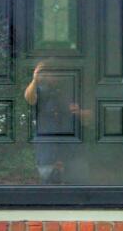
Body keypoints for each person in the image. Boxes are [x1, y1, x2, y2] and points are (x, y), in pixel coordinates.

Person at [22, 55, 81, 184]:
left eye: (56, 71)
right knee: (47, 181)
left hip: (69, 145)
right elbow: (29, 98)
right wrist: (35, 79)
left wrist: (80, 112)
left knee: (73, 183)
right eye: (49, 72)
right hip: (46, 144)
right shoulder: (40, 89)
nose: (53, 75)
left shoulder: (72, 88)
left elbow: (89, 113)